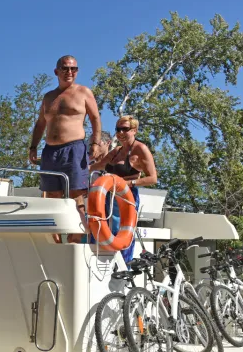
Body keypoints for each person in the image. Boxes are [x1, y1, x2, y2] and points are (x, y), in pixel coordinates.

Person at [28, 55, 103, 241]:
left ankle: (74, 243)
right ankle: (56, 244)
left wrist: (95, 143)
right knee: (52, 197)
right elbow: (40, 124)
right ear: (56, 71)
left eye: (73, 69)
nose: (69, 72)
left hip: (74, 149)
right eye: (65, 68)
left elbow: (95, 118)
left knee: (76, 197)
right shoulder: (48, 97)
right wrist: (33, 147)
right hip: (50, 151)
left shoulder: (84, 92)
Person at [90, 116, 158, 263]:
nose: (120, 132)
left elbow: (152, 178)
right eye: (118, 129)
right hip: (108, 196)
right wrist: (76, 168)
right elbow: (98, 165)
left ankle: (124, 269)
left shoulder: (141, 149)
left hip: (126, 197)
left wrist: (128, 183)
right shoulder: (116, 151)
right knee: (100, 231)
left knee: (122, 234)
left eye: (125, 129)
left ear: (134, 130)